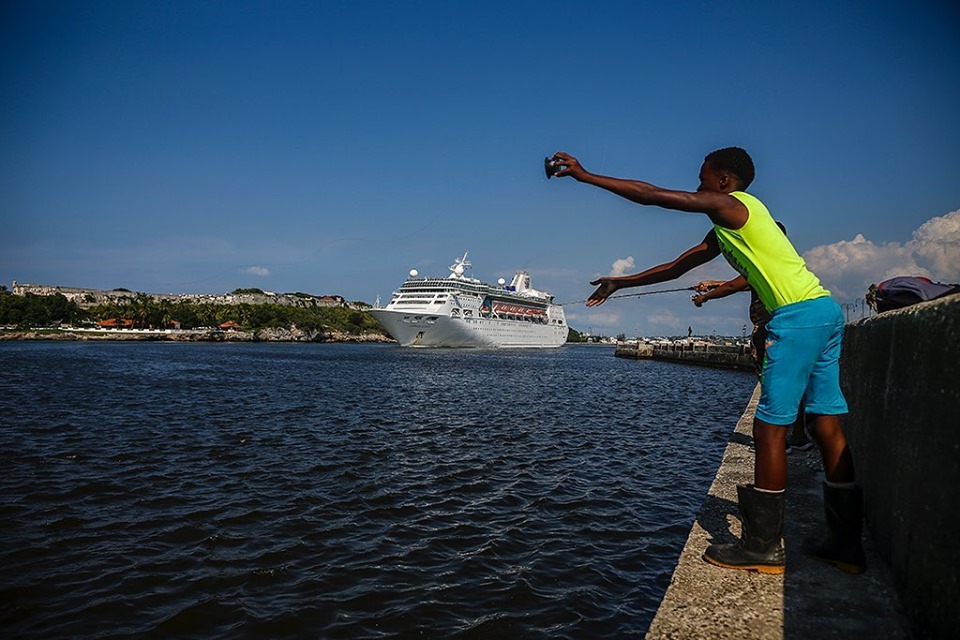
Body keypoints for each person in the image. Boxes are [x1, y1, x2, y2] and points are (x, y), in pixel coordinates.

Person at [549, 147, 865, 574]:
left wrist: (585, 177)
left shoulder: (730, 205)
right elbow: (676, 268)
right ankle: (844, 544)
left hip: (796, 318)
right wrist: (619, 283)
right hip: (823, 312)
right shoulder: (732, 224)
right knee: (825, 422)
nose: (697, 185)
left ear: (724, 180)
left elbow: (651, 194)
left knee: (770, 426)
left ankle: (763, 546)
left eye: (703, 177)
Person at [692, 224, 813, 454]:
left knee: (773, 384)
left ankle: (779, 440)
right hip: (790, 325)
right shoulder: (784, 260)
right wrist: (713, 283)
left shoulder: (765, 260)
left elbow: (736, 284)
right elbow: (744, 281)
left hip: (770, 329)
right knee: (791, 382)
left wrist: (705, 298)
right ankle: (797, 436)